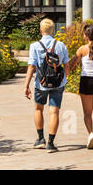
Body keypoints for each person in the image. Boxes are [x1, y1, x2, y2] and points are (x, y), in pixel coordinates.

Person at [23, 18, 70, 151]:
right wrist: (64, 79)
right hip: (58, 83)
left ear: (40, 30)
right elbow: (66, 65)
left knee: (39, 109)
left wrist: (26, 85)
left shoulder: (34, 46)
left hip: (41, 83)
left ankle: (40, 139)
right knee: (54, 112)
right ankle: (51, 143)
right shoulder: (60, 45)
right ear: (53, 30)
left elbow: (32, 67)